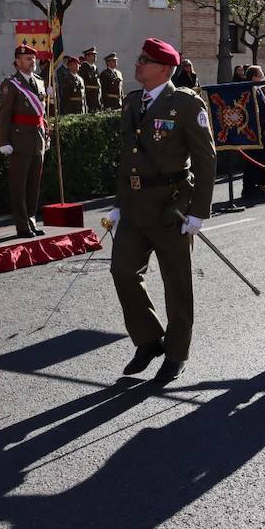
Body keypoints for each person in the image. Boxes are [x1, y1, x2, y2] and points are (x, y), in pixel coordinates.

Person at [104, 37, 215, 381]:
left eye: (145, 61)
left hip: (173, 208)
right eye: (139, 58)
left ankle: (176, 352)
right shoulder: (132, 101)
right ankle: (150, 339)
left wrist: (199, 212)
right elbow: (128, 158)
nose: (137, 64)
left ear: (164, 69)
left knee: (177, 283)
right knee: (122, 271)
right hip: (135, 206)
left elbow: (205, 158)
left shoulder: (184, 103)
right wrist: (119, 204)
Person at [0, 45, 49, 238]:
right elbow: (4, 116)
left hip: (37, 139)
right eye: (27, 59)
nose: (32, 62)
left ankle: (32, 219)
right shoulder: (11, 84)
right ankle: (22, 224)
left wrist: (46, 134)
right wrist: (3, 141)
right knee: (19, 185)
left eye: (33, 59)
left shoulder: (39, 81)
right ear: (17, 62)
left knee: (34, 184)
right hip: (19, 141)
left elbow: (41, 114)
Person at [240, 65, 265, 199]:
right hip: (253, 133)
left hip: (263, 133)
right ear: (254, 76)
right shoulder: (249, 91)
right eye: (260, 74)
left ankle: (259, 185)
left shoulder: (259, 90)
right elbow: (254, 113)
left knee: (260, 159)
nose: (263, 76)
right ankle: (248, 189)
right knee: (252, 162)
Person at [79, 47, 102, 112]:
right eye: (93, 55)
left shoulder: (94, 67)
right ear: (87, 57)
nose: (95, 56)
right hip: (89, 95)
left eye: (95, 55)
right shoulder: (83, 67)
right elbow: (83, 83)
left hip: (96, 95)